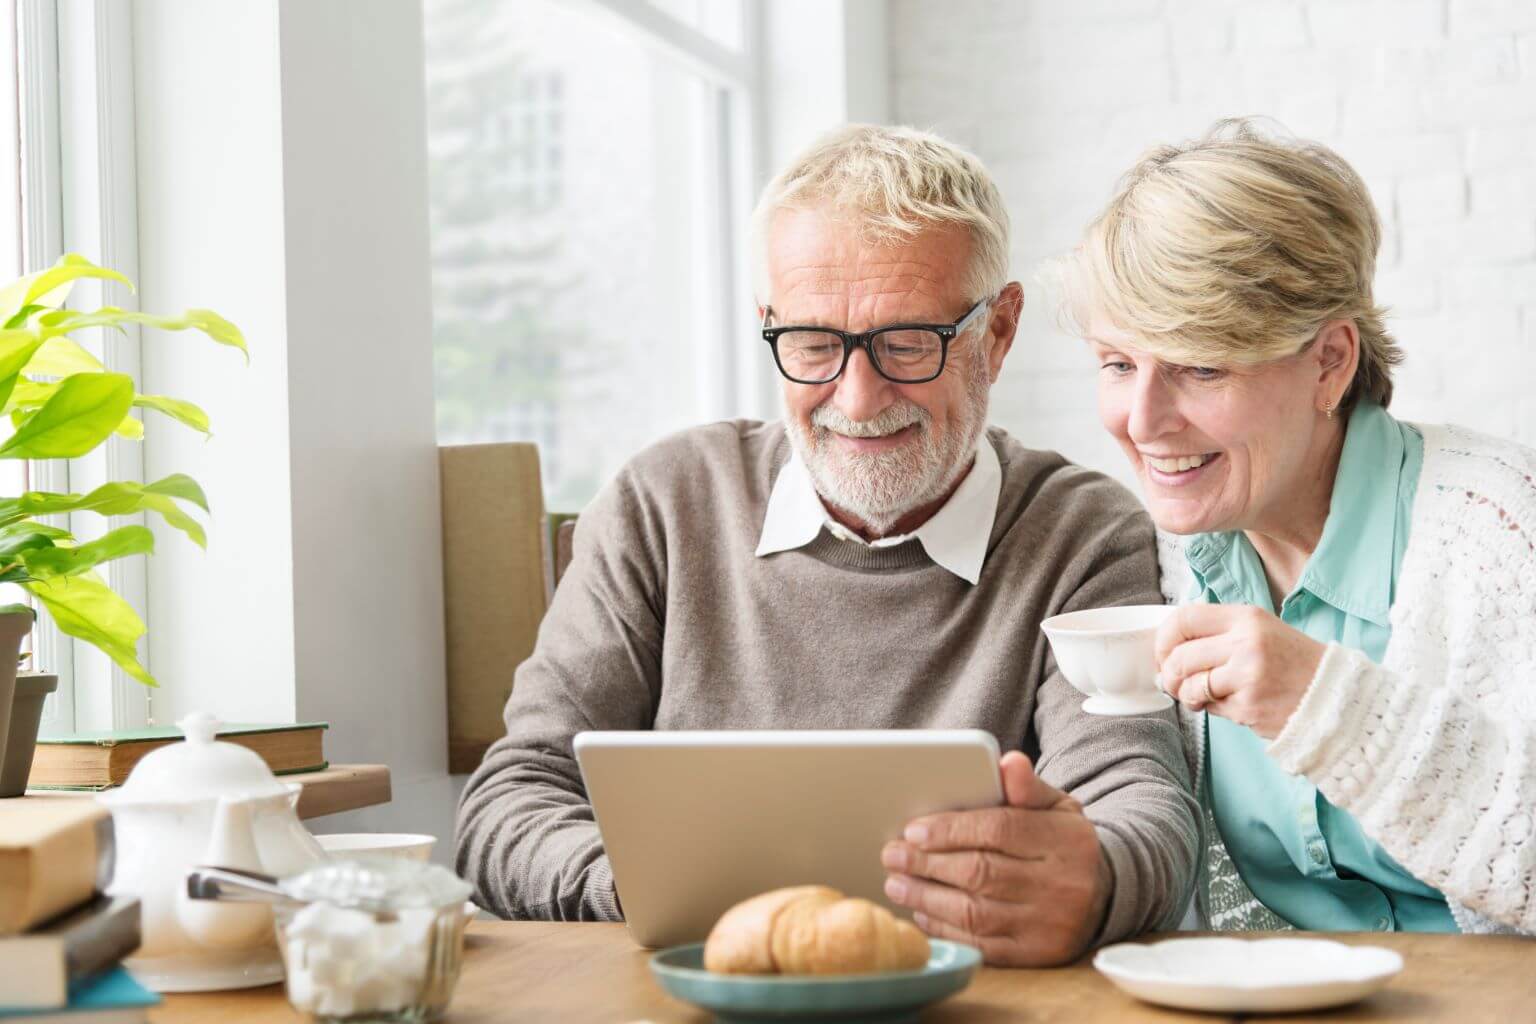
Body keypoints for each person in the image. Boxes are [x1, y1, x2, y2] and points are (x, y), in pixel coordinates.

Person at [456, 124, 1199, 965]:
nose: (857, 395)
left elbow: (1141, 810)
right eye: (813, 344)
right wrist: (659, 891)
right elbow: (509, 804)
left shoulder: (1083, 533)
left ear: (997, 333)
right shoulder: (663, 504)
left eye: (908, 343)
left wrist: (1094, 882)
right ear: (769, 325)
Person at [1055, 117, 1535, 934]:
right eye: (1118, 364)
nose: (1142, 421)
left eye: (1201, 365)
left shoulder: (1501, 532)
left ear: (1330, 363)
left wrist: (1327, 706)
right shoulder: (1164, 563)